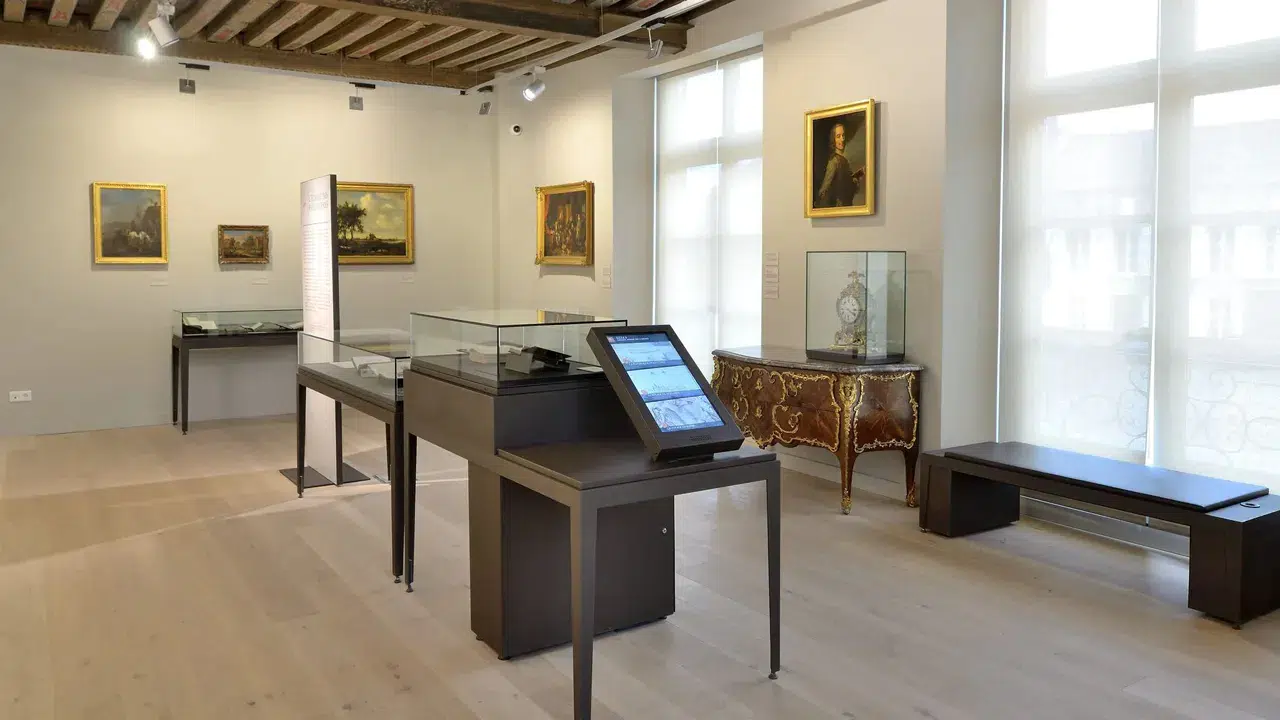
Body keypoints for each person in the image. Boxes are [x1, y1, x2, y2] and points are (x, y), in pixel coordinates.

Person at [816, 121, 864, 208]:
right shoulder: (834, 161)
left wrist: (854, 179)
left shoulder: (844, 161)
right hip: (838, 207)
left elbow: (849, 188)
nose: (842, 139)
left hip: (847, 207)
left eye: (843, 136)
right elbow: (824, 189)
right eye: (838, 136)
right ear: (833, 140)